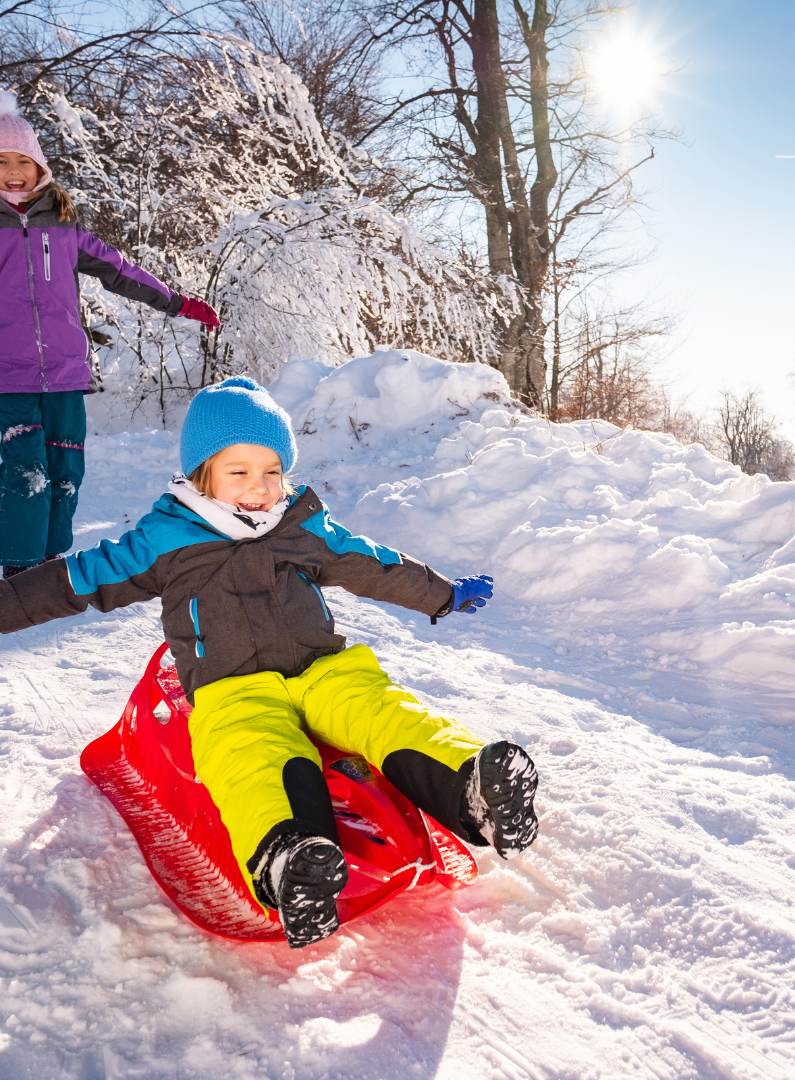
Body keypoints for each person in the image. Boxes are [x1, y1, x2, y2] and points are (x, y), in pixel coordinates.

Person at [0, 377, 540, 948]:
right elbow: (78, 578)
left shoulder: (301, 527)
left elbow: (371, 564)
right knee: (249, 755)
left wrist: (442, 593)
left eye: (272, 472)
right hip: (233, 689)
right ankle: (291, 859)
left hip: (322, 669)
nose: (259, 488)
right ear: (201, 474)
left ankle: (473, 788)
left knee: (384, 712)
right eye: (239, 472)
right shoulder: (165, 539)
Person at [0, 91, 220, 579]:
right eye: (1, 161)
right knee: (23, 472)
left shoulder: (63, 227)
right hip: (6, 376)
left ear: (40, 169)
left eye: (23, 161)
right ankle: (18, 568)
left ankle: (50, 562)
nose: (13, 171)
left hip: (63, 373)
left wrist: (177, 302)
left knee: (64, 473)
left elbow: (121, 271)